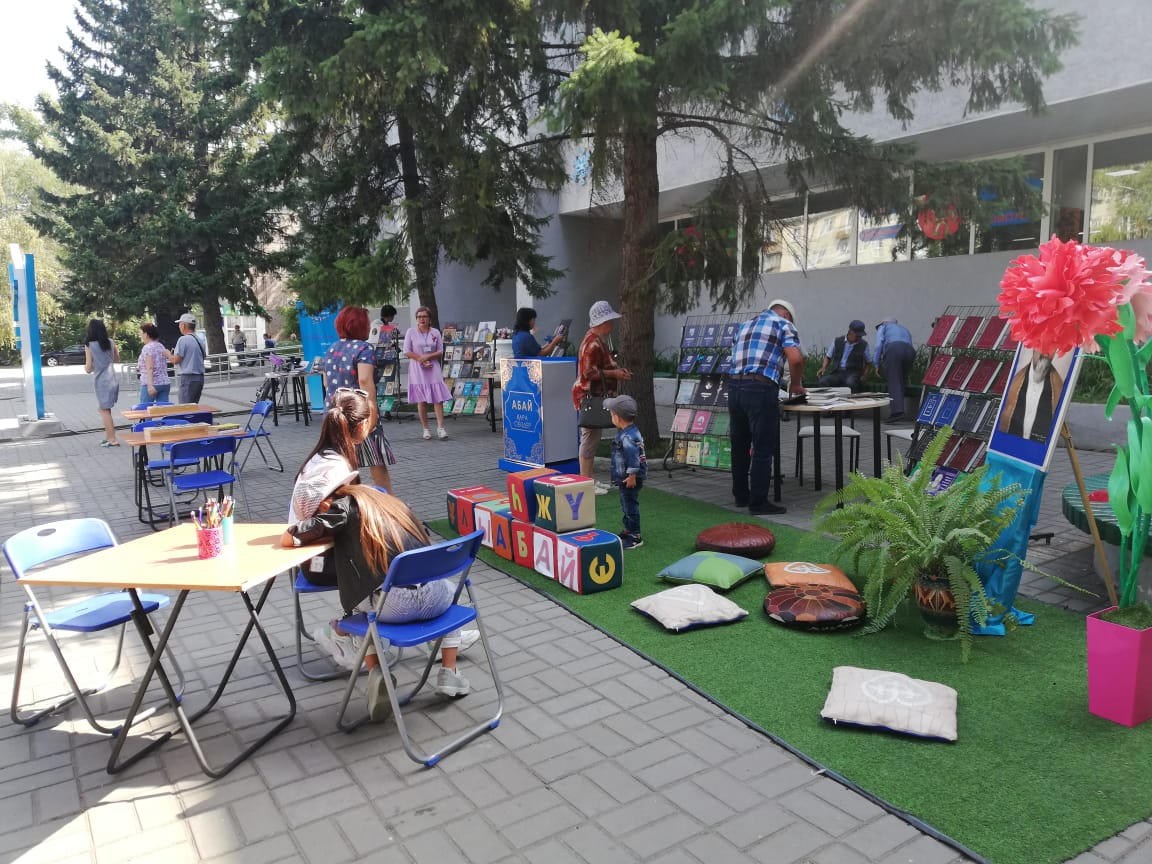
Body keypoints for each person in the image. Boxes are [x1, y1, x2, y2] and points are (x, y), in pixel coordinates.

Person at [283, 389, 474, 720]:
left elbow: (293, 534)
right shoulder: (393, 503)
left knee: (363, 597)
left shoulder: (343, 506)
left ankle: (375, 670)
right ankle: (449, 671)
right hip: (438, 601)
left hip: (390, 609)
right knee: (445, 583)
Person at [728, 299, 806, 516]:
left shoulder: (743, 326)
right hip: (760, 388)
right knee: (762, 447)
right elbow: (796, 359)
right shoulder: (783, 324)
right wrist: (796, 384)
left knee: (740, 446)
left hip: (734, 387)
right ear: (787, 315)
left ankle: (741, 496)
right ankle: (758, 502)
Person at [320, 306, 396, 492]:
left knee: (345, 463)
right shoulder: (364, 348)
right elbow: (364, 381)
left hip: (335, 415)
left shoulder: (331, 349)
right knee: (376, 460)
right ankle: (387, 502)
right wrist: (373, 413)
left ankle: (350, 502)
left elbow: (326, 383)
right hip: (358, 414)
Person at [572, 300, 632, 494]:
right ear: (603, 322)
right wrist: (614, 373)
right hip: (590, 397)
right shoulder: (593, 343)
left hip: (593, 397)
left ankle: (589, 480)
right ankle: (585, 482)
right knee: (589, 439)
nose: (612, 324)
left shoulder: (596, 340)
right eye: (609, 320)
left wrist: (615, 372)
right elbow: (588, 373)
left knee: (591, 439)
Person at [403, 306, 453, 440]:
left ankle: (441, 428)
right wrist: (421, 359)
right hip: (417, 367)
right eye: (419, 317)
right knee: (421, 400)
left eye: (424, 316)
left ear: (429, 318)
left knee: (438, 398)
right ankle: (425, 429)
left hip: (432, 367)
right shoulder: (411, 332)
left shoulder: (435, 332)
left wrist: (428, 357)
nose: (422, 319)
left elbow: (440, 351)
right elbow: (407, 351)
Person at [604, 395, 647, 550]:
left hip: (630, 478)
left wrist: (631, 476)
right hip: (627, 477)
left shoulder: (627, 437)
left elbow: (633, 458)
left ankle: (635, 536)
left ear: (617, 417)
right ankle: (628, 529)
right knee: (626, 503)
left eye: (611, 414)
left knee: (630, 505)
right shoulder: (630, 432)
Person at [999, 350, 1064, 443]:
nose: (1045, 351)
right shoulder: (1014, 382)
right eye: (1040, 344)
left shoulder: (1059, 387)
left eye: (1051, 345)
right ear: (1033, 347)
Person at [84, 319, 120, 446]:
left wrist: (88, 367)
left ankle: (112, 439)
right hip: (112, 379)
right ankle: (108, 436)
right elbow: (117, 358)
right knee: (106, 410)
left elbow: (88, 368)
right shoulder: (110, 342)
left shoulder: (89, 345)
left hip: (101, 381)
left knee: (104, 411)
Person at [872, 317, 916, 421]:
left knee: (894, 379)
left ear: (884, 322)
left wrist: (876, 364)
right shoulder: (904, 329)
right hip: (910, 351)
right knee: (902, 379)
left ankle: (897, 412)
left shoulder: (883, 327)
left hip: (894, 349)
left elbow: (878, 346)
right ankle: (900, 408)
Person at [817, 320, 871, 391]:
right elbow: (828, 357)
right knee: (823, 381)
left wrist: (864, 375)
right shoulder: (837, 341)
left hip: (853, 373)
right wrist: (823, 367)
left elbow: (868, 363)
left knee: (850, 383)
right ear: (850, 332)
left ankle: (851, 398)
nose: (859, 338)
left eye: (861, 336)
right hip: (837, 372)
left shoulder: (864, 345)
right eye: (857, 336)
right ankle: (828, 398)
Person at [167, 313, 206, 404]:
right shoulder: (200, 340)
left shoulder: (183, 340)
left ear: (183, 325)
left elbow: (176, 360)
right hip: (199, 378)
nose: (179, 327)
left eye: (180, 324)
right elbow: (203, 357)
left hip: (188, 378)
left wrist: (168, 354)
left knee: (185, 407)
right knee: (193, 406)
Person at [137, 323, 171, 405]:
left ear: (146, 334)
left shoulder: (147, 348)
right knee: (163, 409)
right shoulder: (160, 346)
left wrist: (150, 385)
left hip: (151, 383)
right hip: (164, 382)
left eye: (141, 333)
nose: (141, 336)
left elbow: (150, 367)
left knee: (145, 409)